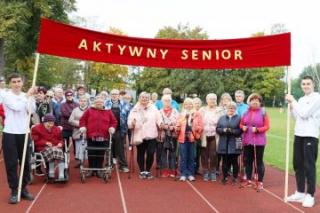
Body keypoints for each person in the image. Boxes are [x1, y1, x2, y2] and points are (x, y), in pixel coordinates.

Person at [0, 73, 37, 204]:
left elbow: (31, 111)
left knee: (26, 163)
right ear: (10, 84)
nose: (16, 84)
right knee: (11, 164)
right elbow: (16, 107)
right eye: (14, 82)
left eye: (18, 81)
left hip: (25, 133)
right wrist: (27, 96)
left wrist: (30, 97)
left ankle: (24, 188)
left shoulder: (27, 96)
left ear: (22, 82)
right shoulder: (5, 95)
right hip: (10, 133)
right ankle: (14, 190)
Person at [286, 76, 320, 208]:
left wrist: (293, 100)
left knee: (309, 165)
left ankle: (310, 195)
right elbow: (297, 117)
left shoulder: (317, 98)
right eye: (304, 84)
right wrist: (291, 108)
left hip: (310, 135)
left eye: (308, 84)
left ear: (313, 85)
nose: (306, 86)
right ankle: (300, 192)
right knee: (297, 164)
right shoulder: (300, 99)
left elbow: (305, 113)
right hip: (298, 134)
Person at [79, 95, 117, 177]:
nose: (99, 103)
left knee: (100, 153)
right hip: (91, 135)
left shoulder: (108, 111)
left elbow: (114, 121)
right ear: (94, 103)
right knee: (91, 153)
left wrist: (112, 128)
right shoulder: (89, 110)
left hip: (103, 136)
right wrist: (83, 127)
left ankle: (99, 169)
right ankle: (91, 170)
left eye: (100, 102)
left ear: (103, 103)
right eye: (97, 102)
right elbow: (82, 120)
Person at [127, 92, 162, 179]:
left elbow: (159, 118)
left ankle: (148, 170)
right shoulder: (135, 108)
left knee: (151, 153)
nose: (144, 99)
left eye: (146, 97)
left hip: (151, 134)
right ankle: (142, 171)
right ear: (139, 98)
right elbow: (130, 119)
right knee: (140, 153)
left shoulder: (153, 108)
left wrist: (160, 123)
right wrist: (132, 123)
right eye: (142, 97)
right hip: (140, 134)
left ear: (149, 99)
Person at [240, 93, 270, 191]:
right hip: (247, 140)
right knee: (248, 161)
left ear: (260, 102)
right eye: (253, 100)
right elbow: (241, 124)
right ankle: (248, 180)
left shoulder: (263, 112)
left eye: (257, 100)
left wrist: (257, 130)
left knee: (258, 162)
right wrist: (242, 127)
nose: (255, 102)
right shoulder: (245, 112)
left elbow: (267, 126)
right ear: (249, 102)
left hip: (259, 141)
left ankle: (260, 182)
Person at [176, 98, 203, 181]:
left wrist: (195, 128)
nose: (188, 105)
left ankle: (191, 173)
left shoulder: (197, 114)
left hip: (192, 138)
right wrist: (177, 128)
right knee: (183, 157)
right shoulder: (181, 114)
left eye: (190, 104)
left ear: (192, 105)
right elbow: (177, 125)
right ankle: (183, 173)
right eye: (186, 104)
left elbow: (201, 126)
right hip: (182, 138)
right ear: (184, 105)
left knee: (191, 157)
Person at [31, 114, 65, 180]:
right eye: (49, 123)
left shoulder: (57, 129)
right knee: (52, 151)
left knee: (59, 151)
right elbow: (35, 141)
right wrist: (45, 142)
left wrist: (60, 144)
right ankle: (51, 172)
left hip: (55, 147)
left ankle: (61, 174)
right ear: (44, 122)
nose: (50, 125)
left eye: (52, 123)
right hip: (43, 148)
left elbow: (61, 139)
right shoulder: (37, 129)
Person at [105, 89, 131, 172]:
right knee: (109, 147)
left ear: (119, 95)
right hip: (108, 129)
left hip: (120, 129)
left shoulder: (125, 104)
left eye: (116, 94)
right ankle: (109, 164)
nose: (114, 95)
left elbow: (129, 116)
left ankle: (123, 165)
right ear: (110, 95)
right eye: (112, 94)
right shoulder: (105, 104)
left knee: (120, 149)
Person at [216, 102, 242, 185]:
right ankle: (224, 177)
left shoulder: (239, 118)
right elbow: (217, 129)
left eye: (233, 108)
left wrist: (233, 131)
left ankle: (234, 177)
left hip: (235, 142)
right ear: (226, 109)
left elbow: (240, 130)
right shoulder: (222, 118)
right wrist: (223, 130)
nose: (231, 109)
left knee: (234, 161)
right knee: (225, 161)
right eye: (229, 108)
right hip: (224, 141)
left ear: (235, 109)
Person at [199, 93, 221, 181]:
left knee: (214, 154)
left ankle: (212, 171)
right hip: (204, 135)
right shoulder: (202, 110)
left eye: (214, 99)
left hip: (215, 135)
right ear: (207, 100)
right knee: (204, 154)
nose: (212, 101)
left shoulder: (219, 110)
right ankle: (205, 171)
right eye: (210, 99)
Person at [158, 94, 179, 177]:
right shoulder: (159, 111)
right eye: (165, 101)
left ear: (171, 102)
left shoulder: (175, 111)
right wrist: (164, 126)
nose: (167, 102)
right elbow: (158, 122)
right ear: (162, 102)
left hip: (173, 134)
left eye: (169, 101)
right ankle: (164, 170)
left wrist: (173, 127)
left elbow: (178, 121)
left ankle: (172, 169)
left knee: (172, 153)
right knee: (163, 152)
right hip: (163, 134)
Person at [69, 96, 89, 168]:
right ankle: (80, 162)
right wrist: (81, 125)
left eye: (84, 101)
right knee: (78, 147)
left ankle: (87, 161)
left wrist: (85, 126)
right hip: (77, 131)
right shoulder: (75, 110)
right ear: (79, 101)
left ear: (87, 102)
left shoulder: (90, 110)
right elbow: (70, 120)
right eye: (81, 101)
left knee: (86, 147)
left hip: (87, 132)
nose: (83, 102)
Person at [60, 89, 79, 155]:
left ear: (72, 95)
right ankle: (64, 157)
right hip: (65, 127)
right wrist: (74, 113)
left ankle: (77, 157)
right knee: (65, 144)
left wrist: (71, 113)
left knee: (75, 143)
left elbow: (78, 114)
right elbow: (65, 114)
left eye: (71, 95)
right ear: (65, 96)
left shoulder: (77, 104)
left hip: (74, 127)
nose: (69, 96)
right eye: (67, 95)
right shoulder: (62, 105)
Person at [193, 97, 202, 175]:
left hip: (200, 136)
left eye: (198, 103)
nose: (197, 105)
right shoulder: (191, 112)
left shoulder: (202, 112)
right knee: (193, 153)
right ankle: (191, 168)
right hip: (192, 136)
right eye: (195, 103)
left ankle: (197, 168)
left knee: (198, 153)